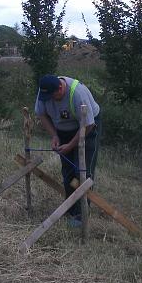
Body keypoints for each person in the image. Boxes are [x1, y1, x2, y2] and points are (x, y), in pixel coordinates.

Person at [34, 74, 101, 227]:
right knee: (68, 171)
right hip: (63, 130)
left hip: (87, 128)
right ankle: (70, 208)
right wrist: (54, 136)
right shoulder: (45, 91)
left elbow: (88, 125)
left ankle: (81, 214)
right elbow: (41, 114)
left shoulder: (77, 94)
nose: (48, 99)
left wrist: (70, 145)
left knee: (82, 171)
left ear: (60, 88)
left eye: (52, 96)